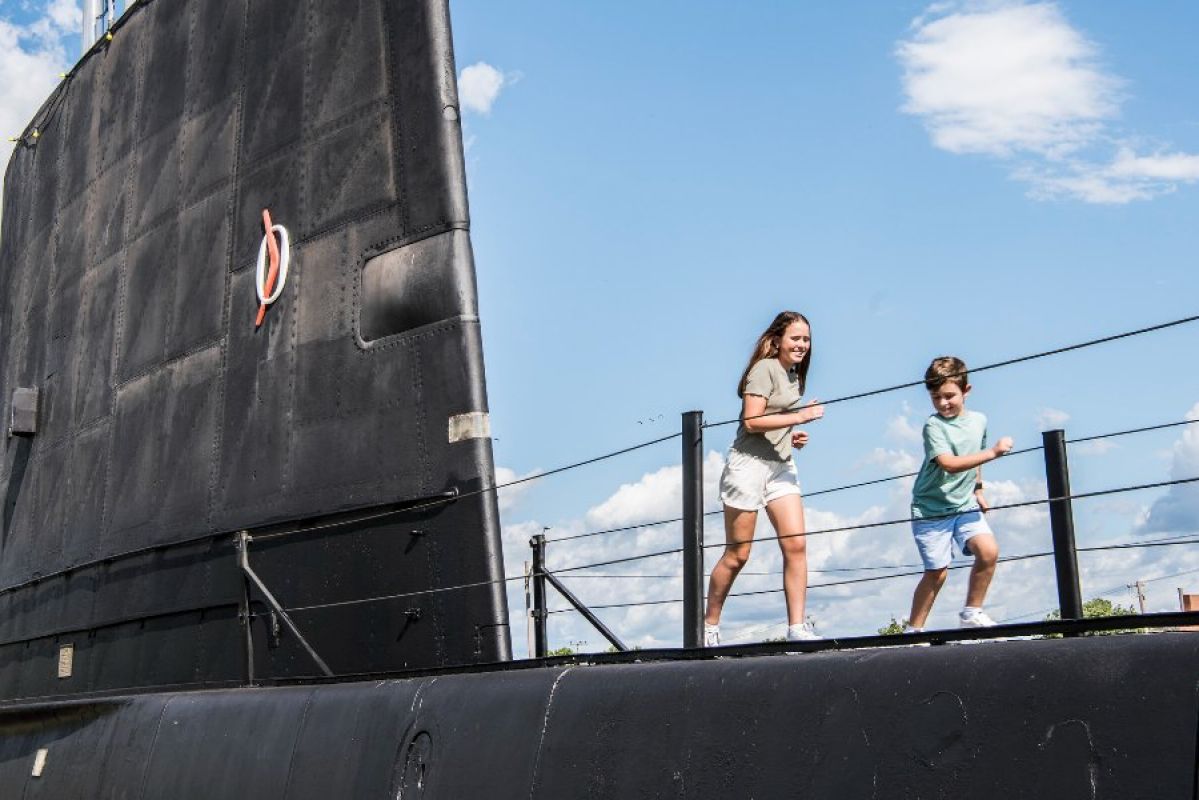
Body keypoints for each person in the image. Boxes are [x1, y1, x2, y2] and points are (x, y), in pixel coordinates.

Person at [703, 311, 825, 646]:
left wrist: (792, 433)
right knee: (739, 554)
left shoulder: (793, 375)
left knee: (796, 544)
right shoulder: (764, 369)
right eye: (796, 338)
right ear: (778, 340)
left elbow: (777, 420)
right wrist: (798, 416)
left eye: (806, 339)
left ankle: (796, 628)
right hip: (748, 466)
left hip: (780, 466)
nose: (802, 345)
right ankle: (709, 625)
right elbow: (752, 421)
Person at [905, 356, 1013, 632]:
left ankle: (972, 612)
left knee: (988, 552)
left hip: (964, 504)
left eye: (949, 396)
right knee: (937, 573)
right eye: (936, 397)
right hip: (931, 509)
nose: (943, 403)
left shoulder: (979, 421)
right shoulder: (934, 426)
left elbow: (974, 459)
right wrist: (994, 453)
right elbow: (949, 464)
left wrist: (978, 489)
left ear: (966, 391)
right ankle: (913, 630)